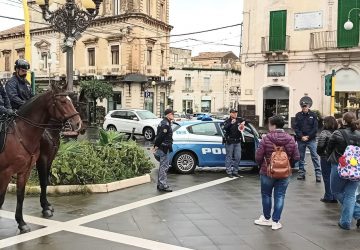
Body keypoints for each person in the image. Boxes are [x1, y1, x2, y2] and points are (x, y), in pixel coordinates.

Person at [254, 115, 300, 230]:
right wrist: (289, 165)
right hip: (284, 173)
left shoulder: (266, 138)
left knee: (266, 194)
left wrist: (261, 165)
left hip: (268, 171)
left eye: (269, 124)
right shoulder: (290, 138)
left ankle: (266, 218)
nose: (268, 127)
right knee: (280, 196)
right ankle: (276, 221)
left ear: (273, 125)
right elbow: (297, 157)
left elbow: (258, 156)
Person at [327, 112, 360, 230]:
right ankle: (346, 221)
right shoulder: (359, 134)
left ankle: (348, 220)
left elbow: (329, 149)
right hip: (356, 168)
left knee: (336, 191)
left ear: (344, 121)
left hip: (339, 165)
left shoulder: (338, 133)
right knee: (350, 195)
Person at [293, 101, 321, 182]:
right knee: (301, 157)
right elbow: (296, 127)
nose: (304, 108)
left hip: (311, 139)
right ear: (301, 107)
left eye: (306, 106)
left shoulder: (313, 115)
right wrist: (301, 136)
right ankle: (301, 173)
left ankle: (318, 174)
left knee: (315, 156)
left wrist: (308, 137)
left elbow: (315, 128)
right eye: (303, 106)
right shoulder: (298, 115)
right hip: (301, 139)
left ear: (308, 106)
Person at [316, 116, 338, 203]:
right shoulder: (338, 132)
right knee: (334, 177)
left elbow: (320, 146)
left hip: (325, 157)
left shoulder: (324, 132)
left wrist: (320, 153)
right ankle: (335, 196)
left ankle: (328, 196)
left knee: (326, 177)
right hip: (336, 157)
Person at [153, 109, 175, 192]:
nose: (173, 115)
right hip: (164, 148)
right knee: (164, 167)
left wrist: (156, 145)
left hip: (164, 147)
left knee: (163, 166)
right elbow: (160, 136)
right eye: (172, 114)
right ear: (168, 115)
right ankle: (163, 185)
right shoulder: (165, 124)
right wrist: (155, 146)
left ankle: (160, 184)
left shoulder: (165, 122)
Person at [223, 108, 245, 178]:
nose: (235, 114)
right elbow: (225, 128)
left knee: (238, 157)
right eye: (233, 112)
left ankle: (235, 171)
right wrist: (231, 123)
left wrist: (244, 122)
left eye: (236, 112)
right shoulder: (227, 121)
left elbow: (248, 121)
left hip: (237, 141)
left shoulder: (239, 119)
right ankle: (229, 172)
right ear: (230, 113)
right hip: (230, 142)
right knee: (229, 157)